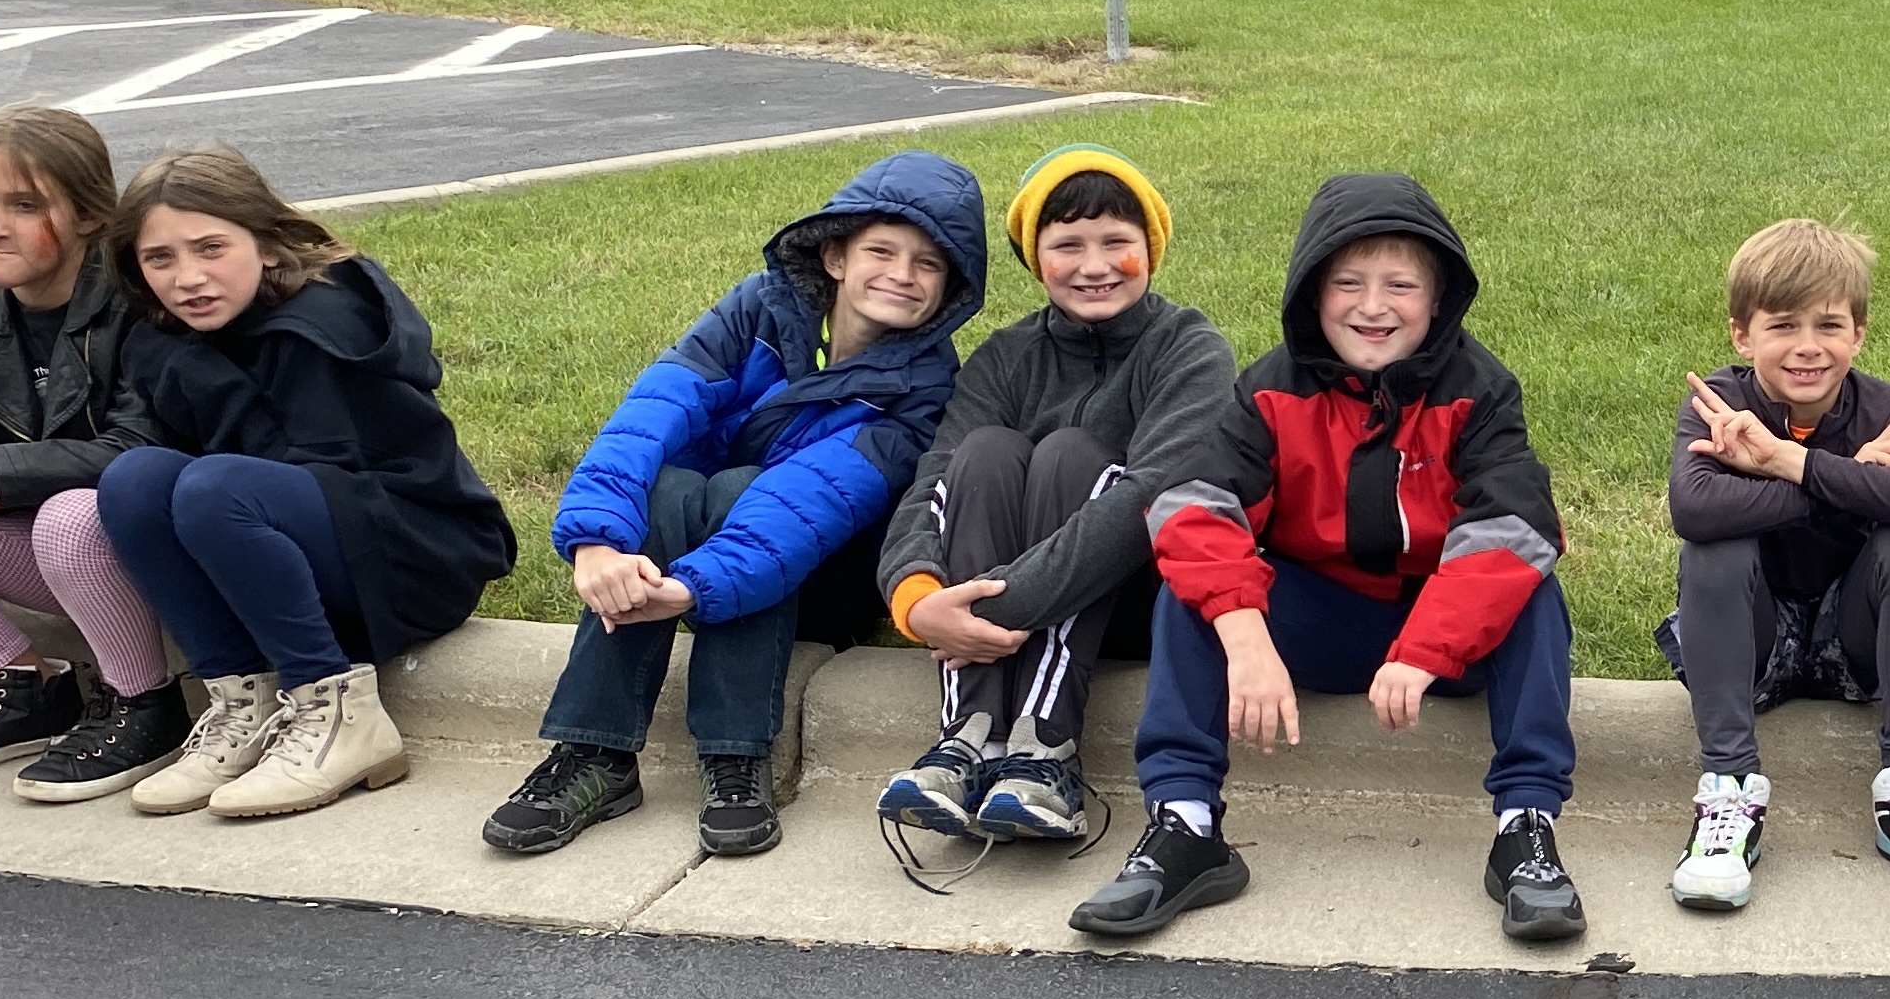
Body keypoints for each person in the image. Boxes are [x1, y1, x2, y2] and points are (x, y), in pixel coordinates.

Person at [1092, 174, 1587, 947]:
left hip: (1441, 637)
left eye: (1402, 285)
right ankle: (1186, 826)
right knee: (1191, 589)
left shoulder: (1480, 392)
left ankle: (1526, 832)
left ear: (1439, 297)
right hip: (1317, 622)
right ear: (1311, 295)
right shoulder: (1267, 390)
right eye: (1347, 283)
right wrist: (1246, 636)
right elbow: (1191, 505)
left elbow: (1512, 528)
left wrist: (1425, 651)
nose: (1373, 306)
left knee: (1532, 591)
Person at [483, 153, 984, 863]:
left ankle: (737, 757)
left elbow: (802, 505)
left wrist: (691, 586)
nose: (902, 274)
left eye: (929, 264)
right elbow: (650, 412)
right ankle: (594, 753)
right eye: (881, 250)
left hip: (818, 574)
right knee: (667, 484)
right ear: (835, 255)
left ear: (950, 288)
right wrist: (597, 542)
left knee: (742, 489)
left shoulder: (923, 387)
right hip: (697, 539)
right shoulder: (756, 309)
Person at [91, 147, 517, 819]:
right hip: (287, 546)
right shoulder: (163, 339)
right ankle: (242, 699)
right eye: (161, 259)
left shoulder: (324, 321)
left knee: (212, 487)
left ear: (265, 243)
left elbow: (317, 476)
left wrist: (212, 390)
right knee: (132, 480)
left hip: (413, 553)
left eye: (211, 248)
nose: (188, 278)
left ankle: (338, 709)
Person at [873, 146, 1234, 847]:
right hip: (993, 617)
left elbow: (1148, 500)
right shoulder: (1005, 357)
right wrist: (919, 602)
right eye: (1067, 245)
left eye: (1117, 244)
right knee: (985, 451)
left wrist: (985, 612)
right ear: (1036, 259)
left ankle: (1046, 750)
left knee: (1074, 454)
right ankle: (967, 741)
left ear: (1150, 250)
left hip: (1134, 597)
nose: (1094, 266)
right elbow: (934, 481)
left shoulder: (1188, 347)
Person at [1653, 216, 1890, 915]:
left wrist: (1784, 461)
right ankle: (1727, 795)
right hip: (1757, 645)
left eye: (1829, 326)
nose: (1808, 348)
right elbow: (1697, 509)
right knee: (1716, 546)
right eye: (1783, 326)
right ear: (1743, 334)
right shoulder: (1720, 403)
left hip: (1852, 643)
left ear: (1858, 334)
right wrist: (1831, 485)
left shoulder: (1889, 408)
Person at [0, 112, 189, 797]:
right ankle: (22, 684)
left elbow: (133, 449)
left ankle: (145, 702)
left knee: (69, 515)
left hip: (150, 553)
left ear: (88, 215)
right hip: (51, 552)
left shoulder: (138, 303)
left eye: (26, 206)